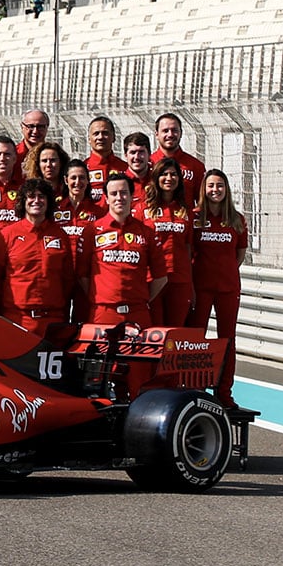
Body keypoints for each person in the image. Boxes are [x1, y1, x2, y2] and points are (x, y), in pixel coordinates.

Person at [0, 178, 78, 338]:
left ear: (48, 201)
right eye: (31, 196)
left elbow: (67, 281)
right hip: (16, 318)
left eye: (41, 196)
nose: (36, 200)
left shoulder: (60, 235)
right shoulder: (7, 235)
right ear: (23, 201)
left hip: (53, 320)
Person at [190, 170, 249, 402]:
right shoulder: (195, 217)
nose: (215, 190)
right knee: (196, 338)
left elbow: (240, 255)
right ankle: (195, 387)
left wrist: (225, 272)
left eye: (220, 186)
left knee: (228, 340)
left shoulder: (236, 219)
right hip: (200, 288)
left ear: (227, 190)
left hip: (228, 287)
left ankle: (224, 392)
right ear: (204, 189)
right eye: (211, 186)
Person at [79, 172, 166, 327]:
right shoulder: (92, 230)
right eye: (114, 194)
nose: (119, 198)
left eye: (124, 193)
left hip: (138, 313)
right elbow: (82, 275)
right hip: (103, 313)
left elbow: (161, 278)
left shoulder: (147, 232)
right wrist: (101, 298)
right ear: (106, 198)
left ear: (132, 196)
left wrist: (141, 298)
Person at [141, 158, 196, 328]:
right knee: (155, 332)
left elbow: (187, 247)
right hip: (153, 279)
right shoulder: (143, 209)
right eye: (164, 174)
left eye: (173, 174)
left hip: (180, 280)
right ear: (156, 178)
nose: (169, 178)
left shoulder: (186, 210)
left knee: (175, 332)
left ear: (179, 179)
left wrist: (191, 284)